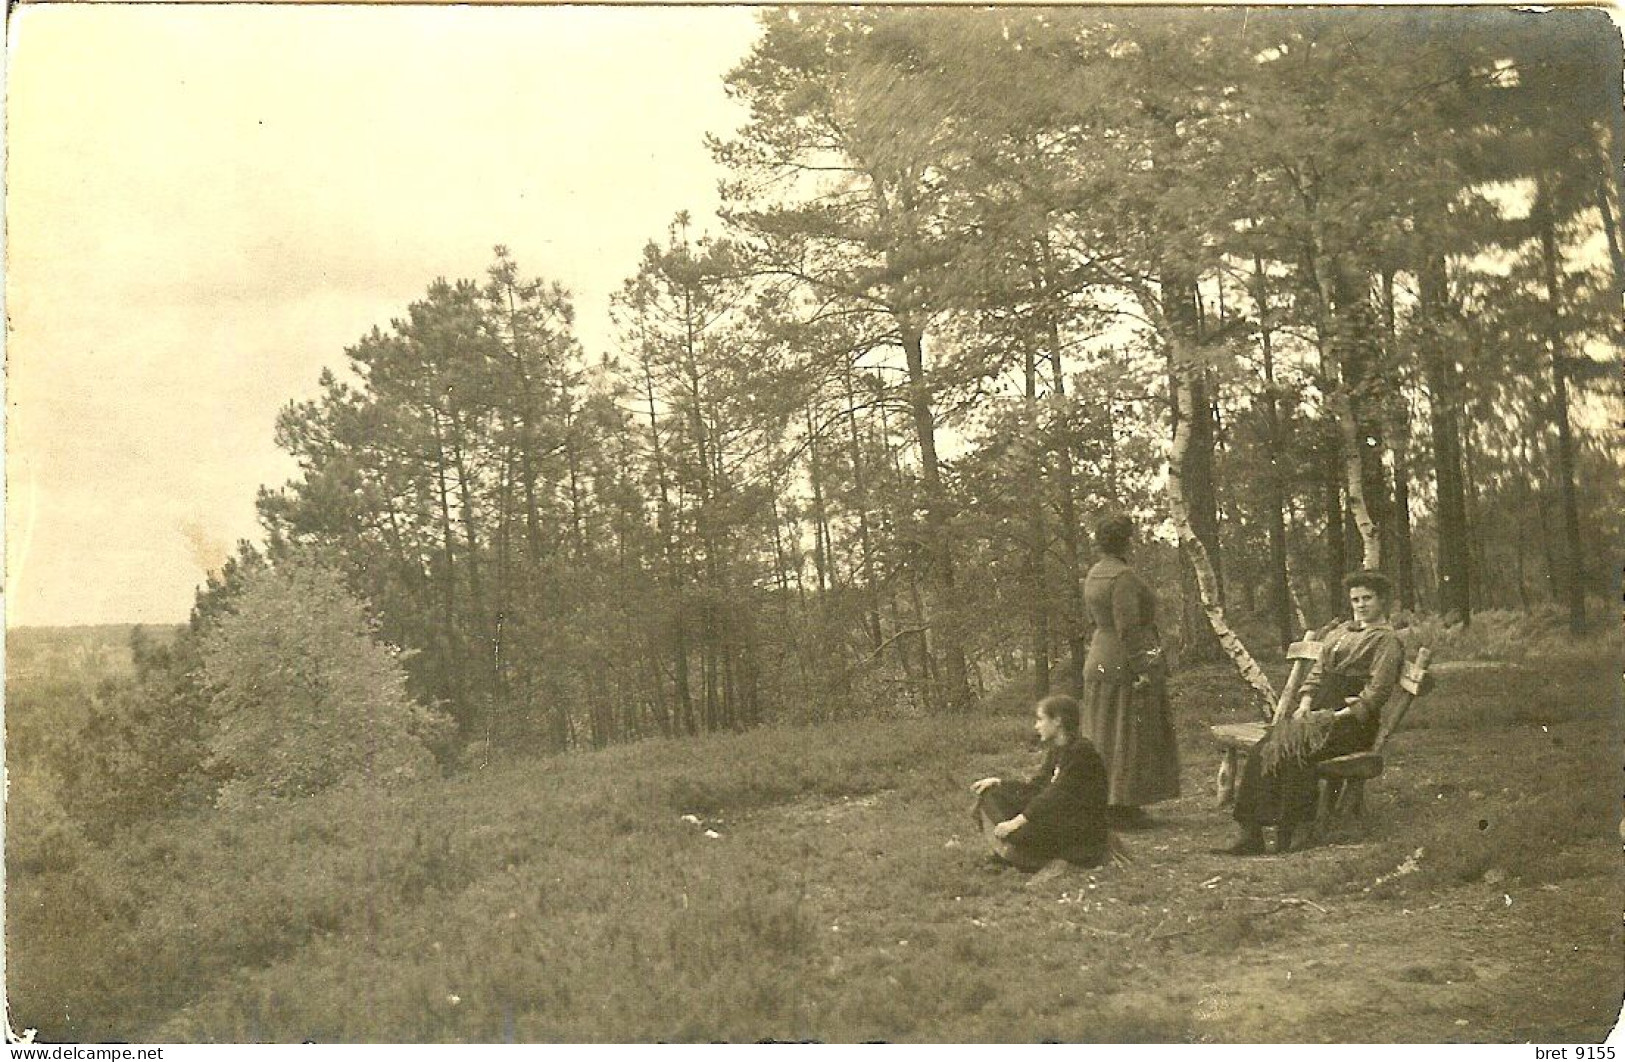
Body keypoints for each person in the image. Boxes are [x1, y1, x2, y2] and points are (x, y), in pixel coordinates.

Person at [1222, 571, 1406, 855]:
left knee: (1298, 750)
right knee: (1268, 745)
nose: (1360, 604)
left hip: (1352, 722)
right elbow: (1318, 674)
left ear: (1382, 600)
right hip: (1319, 711)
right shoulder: (1341, 632)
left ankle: (1294, 829)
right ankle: (1251, 832)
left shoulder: (1387, 641)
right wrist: (1306, 704)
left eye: (1367, 598)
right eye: (1355, 599)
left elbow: (1376, 693)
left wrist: (1334, 716)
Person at [1079, 514, 1180, 828]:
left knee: (1103, 733)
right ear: (1126, 541)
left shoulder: (1094, 574)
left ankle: (1108, 800)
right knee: (1128, 733)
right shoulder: (1123, 577)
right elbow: (1128, 629)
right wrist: (1145, 668)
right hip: (1122, 661)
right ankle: (1121, 805)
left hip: (1099, 657)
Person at [971, 694, 1111, 870]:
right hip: (1056, 817)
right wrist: (1000, 783)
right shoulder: (1057, 750)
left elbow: (1056, 794)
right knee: (990, 795)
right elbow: (1037, 787)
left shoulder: (1082, 752)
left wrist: (1015, 823)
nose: (1036, 726)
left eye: (1040, 719)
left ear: (1057, 721)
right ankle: (1013, 848)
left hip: (1079, 830)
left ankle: (1017, 856)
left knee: (1017, 831)